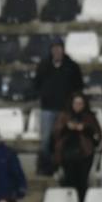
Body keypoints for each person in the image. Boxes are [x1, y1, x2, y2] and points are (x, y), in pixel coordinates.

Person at [35, 39, 84, 175]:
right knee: (46, 140)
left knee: (64, 139)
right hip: (47, 109)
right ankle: (45, 168)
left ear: (63, 49)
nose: (56, 51)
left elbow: (78, 86)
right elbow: (36, 84)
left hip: (65, 110)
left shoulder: (72, 67)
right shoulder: (43, 66)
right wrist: (43, 95)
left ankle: (63, 168)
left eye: (59, 48)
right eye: (54, 48)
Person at [53, 94, 102, 202]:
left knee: (82, 182)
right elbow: (55, 134)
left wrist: (85, 128)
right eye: (76, 103)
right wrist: (66, 127)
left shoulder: (89, 117)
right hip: (67, 154)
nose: (78, 106)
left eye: (80, 103)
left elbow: (97, 136)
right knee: (68, 182)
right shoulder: (64, 116)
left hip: (85, 155)